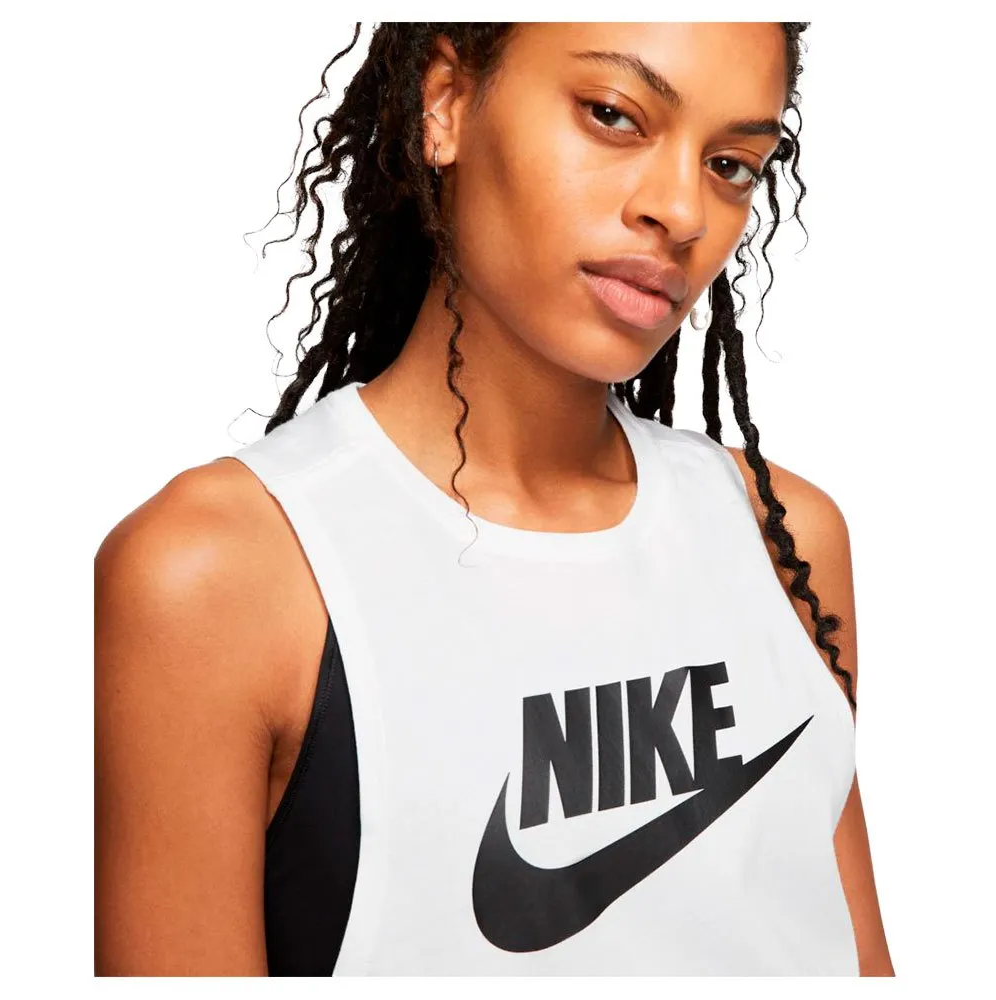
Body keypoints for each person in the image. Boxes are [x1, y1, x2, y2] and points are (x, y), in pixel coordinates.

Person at [94, 22, 894, 976]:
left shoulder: (784, 539)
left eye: (730, 165)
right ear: (446, 103)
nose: (682, 210)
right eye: (613, 116)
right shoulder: (225, 576)